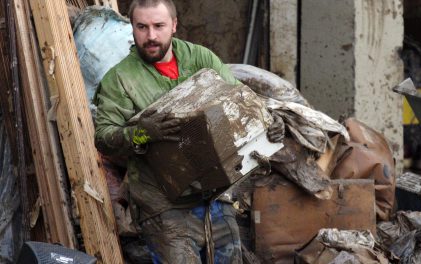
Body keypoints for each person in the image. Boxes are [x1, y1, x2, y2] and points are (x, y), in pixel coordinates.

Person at [93, 0, 284, 263]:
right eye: (142, 27)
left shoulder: (201, 58)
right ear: (132, 28)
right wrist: (141, 133)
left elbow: (239, 100)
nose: (151, 36)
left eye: (159, 26)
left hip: (214, 193)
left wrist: (268, 123)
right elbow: (103, 139)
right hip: (163, 204)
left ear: (174, 25)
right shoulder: (120, 79)